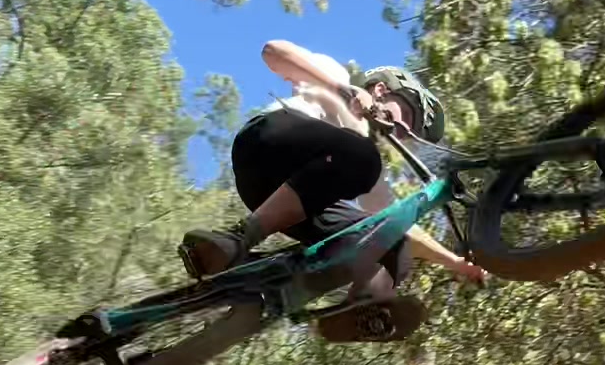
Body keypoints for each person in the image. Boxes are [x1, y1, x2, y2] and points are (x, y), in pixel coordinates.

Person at [180, 39, 483, 340]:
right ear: (381, 90)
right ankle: (239, 237)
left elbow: (398, 220)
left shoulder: (362, 161)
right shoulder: (337, 78)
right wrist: (342, 90)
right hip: (268, 145)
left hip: (287, 198)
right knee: (363, 155)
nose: (403, 131)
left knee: (393, 240)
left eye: (409, 134)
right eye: (407, 116)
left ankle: (359, 307)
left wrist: (456, 263)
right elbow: (273, 51)